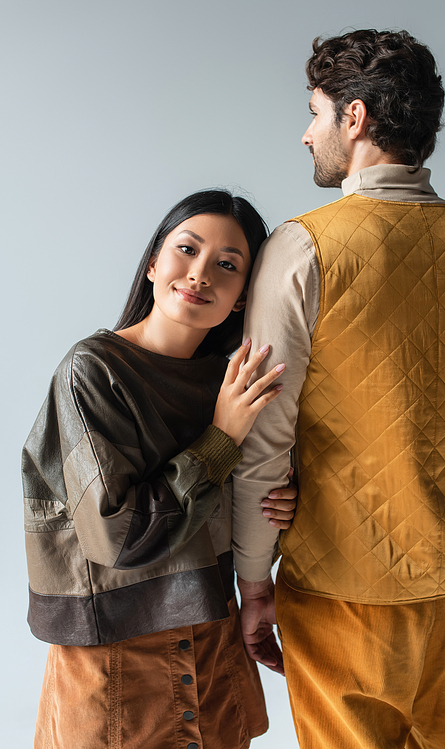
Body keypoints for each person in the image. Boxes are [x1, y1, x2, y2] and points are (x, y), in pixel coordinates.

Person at [231, 29, 445, 749]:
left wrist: (254, 580)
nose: (305, 132)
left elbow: (265, 434)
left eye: (315, 111)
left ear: (356, 118)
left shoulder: (302, 246)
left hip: (341, 590)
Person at [22, 189, 296, 749]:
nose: (200, 274)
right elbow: (117, 537)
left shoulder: (232, 382)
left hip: (214, 641)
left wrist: (286, 499)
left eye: (227, 264)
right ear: (152, 262)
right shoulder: (93, 372)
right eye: (186, 249)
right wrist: (220, 440)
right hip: (120, 659)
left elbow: (246, 497)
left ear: (244, 297)